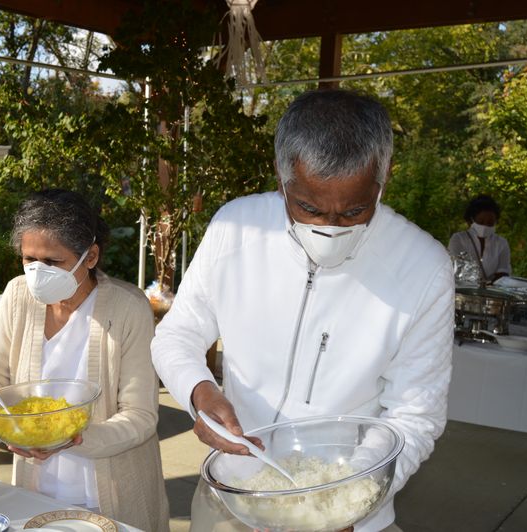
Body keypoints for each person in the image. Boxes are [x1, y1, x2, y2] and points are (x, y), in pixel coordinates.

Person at [151, 89, 454, 532]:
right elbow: (177, 334)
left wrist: (346, 499)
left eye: (355, 211)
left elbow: (414, 413)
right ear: (281, 177)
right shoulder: (236, 229)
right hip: (235, 494)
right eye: (308, 207)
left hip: (351, 510)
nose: (329, 227)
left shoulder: (423, 267)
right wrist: (199, 391)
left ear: (384, 176)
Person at [0, 189, 170, 531]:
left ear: (90, 256)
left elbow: (141, 415)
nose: (37, 272)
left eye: (52, 262)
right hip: (37, 485)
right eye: (29, 259)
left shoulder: (128, 308)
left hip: (110, 488)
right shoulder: (17, 295)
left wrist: (72, 438)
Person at [448, 194, 511, 283]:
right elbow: (456, 267)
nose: (485, 226)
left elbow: (503, 272)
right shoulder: (458, 239)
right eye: (481, 222)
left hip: (492, 290)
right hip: (463, 289)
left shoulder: (501, 243)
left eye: (490, 223)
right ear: (471, 220)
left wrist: (490, 284)